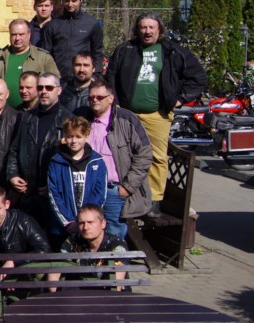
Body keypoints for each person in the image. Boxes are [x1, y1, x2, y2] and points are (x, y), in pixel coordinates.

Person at [106, 13, 207, 217]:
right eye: (143, 27)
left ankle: (154, 200)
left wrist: (179, 99)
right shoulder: (125, 50)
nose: (147, 31)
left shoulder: (173, 51)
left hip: (157, 115)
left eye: (151, 27)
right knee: (123, 155)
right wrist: (114, 101)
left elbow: (199, 78)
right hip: (127, 114)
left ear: (159, 29)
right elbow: (111, 77)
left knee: (157, 158)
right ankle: (127, 196)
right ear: (137, 29)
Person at [85, 77, 153, 238]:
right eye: (91, 97)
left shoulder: (126, 119)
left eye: (99, 97)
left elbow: (144, 154)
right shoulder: (84, 120)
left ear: (110, 98)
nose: (95, 100)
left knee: (114, 234)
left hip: (114, 190)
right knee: (88, 232)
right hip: (90, 188)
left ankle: (115, 255)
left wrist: (127, 187)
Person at [7, 73, 73, 224]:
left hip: (54, 196)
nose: (44, 91)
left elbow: (73, 160)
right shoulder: (27, 117)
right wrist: (12, 175)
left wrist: (54, 185)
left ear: (59, 90)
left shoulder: (68, 120)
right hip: (27, 193)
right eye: (40, 87)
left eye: (49, 88)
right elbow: (14, 149)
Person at [47, 116, 107, 237]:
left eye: (78, 137)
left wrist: (84, 221)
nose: (74, 141)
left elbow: (100, 193)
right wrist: (68, 222)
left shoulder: (97, 161)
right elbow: (53, 194)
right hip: (64, 225)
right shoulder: (56, 161)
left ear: (86, 136)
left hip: (88, 226)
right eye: (70, 136)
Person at [0, 19, 59, 109]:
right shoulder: (0, 56)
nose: (17, 38)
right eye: (14, 34)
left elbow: (55, 85)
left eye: (21, 34)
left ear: (29, 34)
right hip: (3, 112)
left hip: (33, 112)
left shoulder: (43, 57)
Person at [53, 204, 128, 289]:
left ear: (103, 223)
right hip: (78, 293)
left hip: (109, 294)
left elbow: (116, 286)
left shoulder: (117, 245)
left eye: (90, 222)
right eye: (81, 223)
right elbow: (55, 272)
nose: (85, 227)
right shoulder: (73, 240)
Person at [41, 0, 103, 81]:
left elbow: (97, 52)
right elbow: (45, 54)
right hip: (58, 78)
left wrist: (96, 75)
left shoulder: (91, 24)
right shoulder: (53, 25)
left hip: (82, 78)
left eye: (74, 1)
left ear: (81, 0)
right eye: (67, 1)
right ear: (63, 0)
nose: (70, 4)